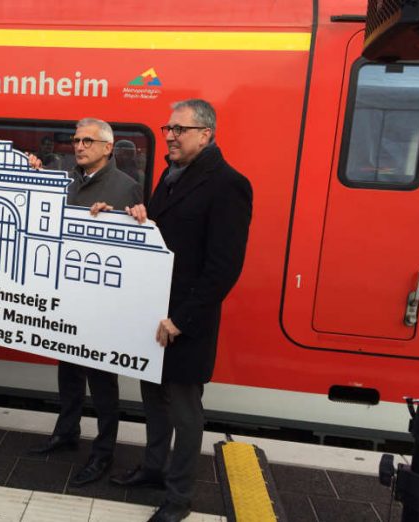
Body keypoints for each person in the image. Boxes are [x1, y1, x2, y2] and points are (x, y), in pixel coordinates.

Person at [104, 100, 252, 522]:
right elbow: (164, 238)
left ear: (206, 134)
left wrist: (181, 320)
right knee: (152, 397)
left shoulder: (228, 184)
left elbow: (223, 267)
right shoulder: (170, 179)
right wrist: (138, 218)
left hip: (185, 321)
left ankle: (179, 497)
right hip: (154, 314)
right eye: (167, 127)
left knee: (185, 412)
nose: (169, 135)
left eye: (179, 129)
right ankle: (153, 469)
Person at [29, 118, 143, 487]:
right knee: (69, 373)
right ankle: (66, 433)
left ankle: (103, 452)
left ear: (108, 148)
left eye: (88, 141)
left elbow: (133, 244)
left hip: (101, 307)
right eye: (76, 140)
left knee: (102, 382)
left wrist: (115, 219)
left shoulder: (127, 188)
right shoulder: (68, 180)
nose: (79, 147)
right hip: (69, 298)